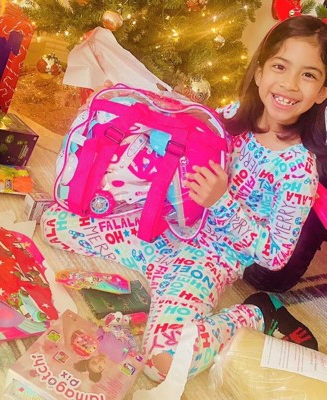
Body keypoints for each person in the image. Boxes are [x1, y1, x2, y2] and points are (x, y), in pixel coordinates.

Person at [42, 14, 326, 388]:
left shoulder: (300, 171)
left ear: (322, 91)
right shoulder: (228, 118)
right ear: (259, 71)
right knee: (53, 225)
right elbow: (176, 135)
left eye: (308, 74)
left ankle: (257, 314)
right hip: (160, 230)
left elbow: (275, 256)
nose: (289, 83)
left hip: (210, 259)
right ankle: (155, 275)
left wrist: (222, 202)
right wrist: (133, 110)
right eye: (280, 66)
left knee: (164, 363)